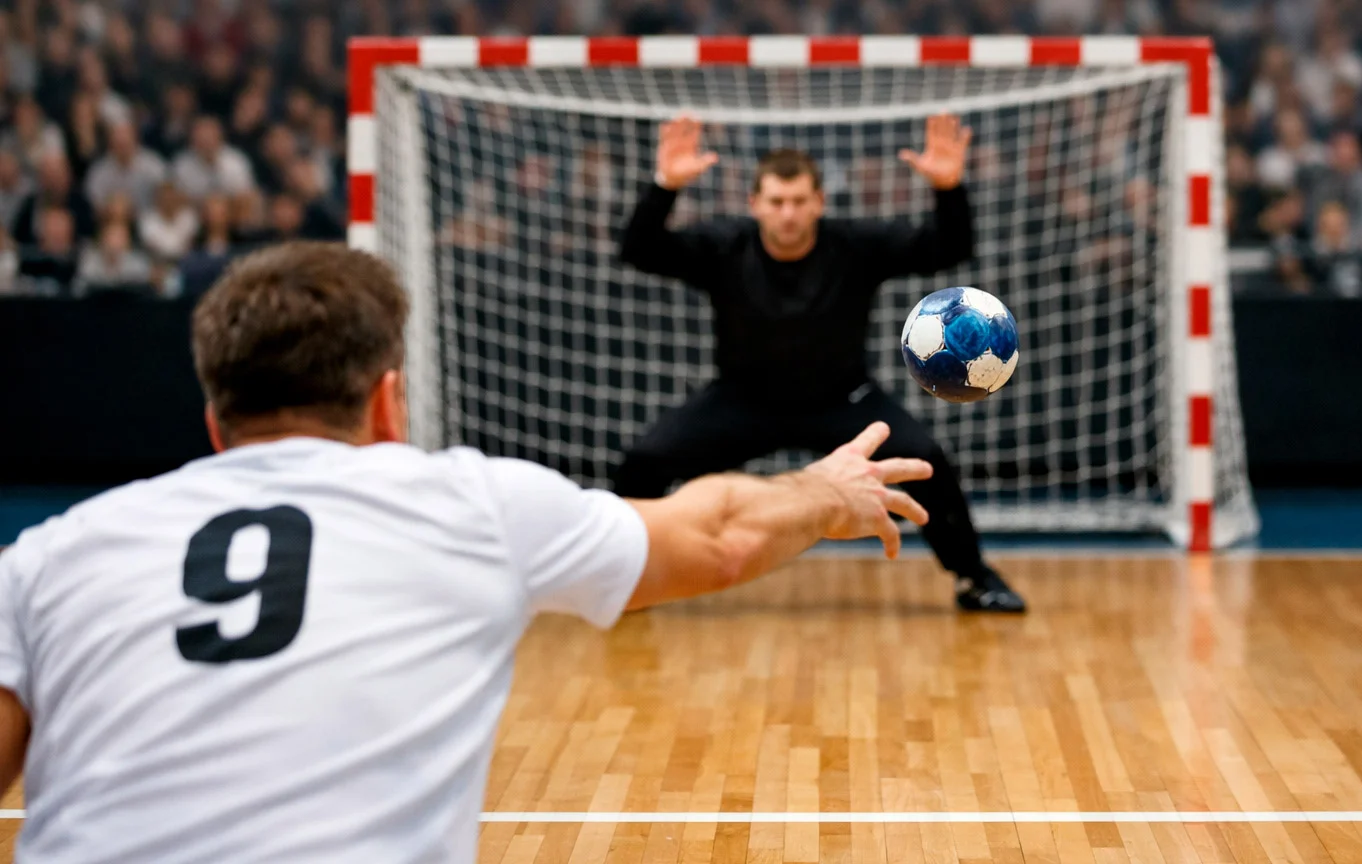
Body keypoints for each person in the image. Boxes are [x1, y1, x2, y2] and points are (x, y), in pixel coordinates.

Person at [0, 241, 931, 862]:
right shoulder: (475, 506)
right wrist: (821, 494)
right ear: (386, 403)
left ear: (213, 420)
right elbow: (717, 539)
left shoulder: (52, 554)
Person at [615, 114, 1026, 613]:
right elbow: (639, 251)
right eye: (776, 202)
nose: (787, 213)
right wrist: (665, 186)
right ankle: (622, 578)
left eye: (798, 202)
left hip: (843, 400)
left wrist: (948, 187)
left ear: (819, 203)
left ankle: (974, 578)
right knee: (644, 462)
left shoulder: (852, 245)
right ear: (755, 205)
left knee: (926, 460)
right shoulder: (725, 246)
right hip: (741, 400)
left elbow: (947, 247)